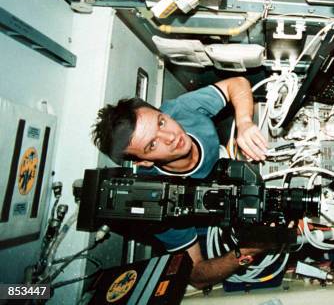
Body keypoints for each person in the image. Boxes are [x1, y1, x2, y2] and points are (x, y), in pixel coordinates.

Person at [91, 76, 269, 288]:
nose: (171, 136)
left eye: (161, 122)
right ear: (144, 161)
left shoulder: (179, 110)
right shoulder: (158, 201)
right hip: (225, 226)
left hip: (234, 163)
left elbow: (237, 83)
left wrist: (244, 123)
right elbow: (195, 274)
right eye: (153, 144)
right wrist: (246, 252)